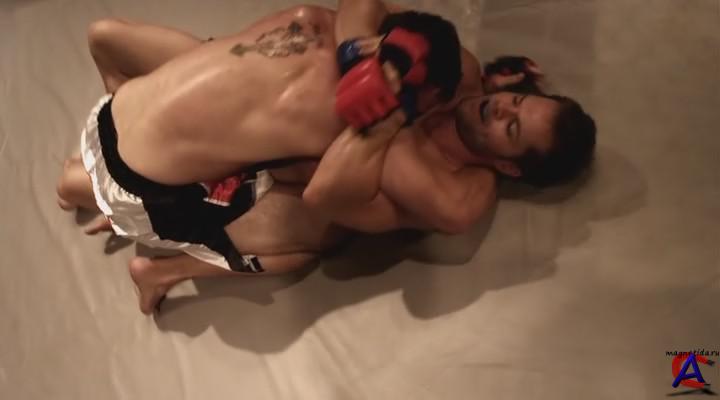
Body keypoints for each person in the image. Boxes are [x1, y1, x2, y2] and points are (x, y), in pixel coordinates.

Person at [57, 1, 596, 314]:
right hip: (182, 155)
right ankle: (103, 189)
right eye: (516, 101)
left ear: (508, 166)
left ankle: (156, 253)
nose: (500, 108)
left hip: (258, 166)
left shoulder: (446, 185)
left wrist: (381, 114)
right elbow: (369, 13)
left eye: (511, 126)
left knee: (325, 230)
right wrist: (358, 58)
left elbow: (329, 198)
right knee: (254, 90)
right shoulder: (462, 70)